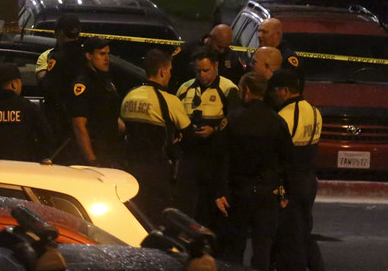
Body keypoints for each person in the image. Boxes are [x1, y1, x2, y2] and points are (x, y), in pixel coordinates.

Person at [213, 72, 292, 270]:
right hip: (267, 192)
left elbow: (220, 159)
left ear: (246, 90)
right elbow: (288, 159)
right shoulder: (277, 122)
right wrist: (285, 191)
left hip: (238, 192)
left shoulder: (232, 119)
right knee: (262, 249)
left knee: (235, 248)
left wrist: (220, 192)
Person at [120, 48, 192, 225]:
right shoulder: (169, 100)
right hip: (157, 170)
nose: (169, 75)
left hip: (130, 167)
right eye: (169, 71)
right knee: (157, 218)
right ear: (162, 71)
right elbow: (189, 134)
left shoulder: (130, 96)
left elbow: (122, 128)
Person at [175, 49, 240, 224]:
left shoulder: (228, 89)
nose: (202, 75)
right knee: (186, 205)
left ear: (216, 66)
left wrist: (214, 130)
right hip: (189, 155)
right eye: (198, 71)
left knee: (211, 209)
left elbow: (234, 123)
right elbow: (175, 117)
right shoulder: (185, 88)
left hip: (214, 157)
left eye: (206, 70)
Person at [271, 68, 324, 271]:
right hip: (309, 180)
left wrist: (281, 188)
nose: (273, 94)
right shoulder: (314, 111)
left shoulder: (283, 116)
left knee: (291, 236)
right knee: (304, 230)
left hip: (292, 181)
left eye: (275, 90)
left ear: (284, 90)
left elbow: (281, 155)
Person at [66, 37, 124, 168]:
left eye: (108, 54)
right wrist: (92, 160)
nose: (107, 59)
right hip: (96, 152)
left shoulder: (106, 81)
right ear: (89, 56)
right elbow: (79, 126)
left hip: (111, 150)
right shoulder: (82, 85)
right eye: (102, 54)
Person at [37, 13, 84, 157]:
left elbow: (47, 87)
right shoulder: (86, 55)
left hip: (61, 120)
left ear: (60, 33)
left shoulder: (58, 57)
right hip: (83, 119)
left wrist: (42, 75)